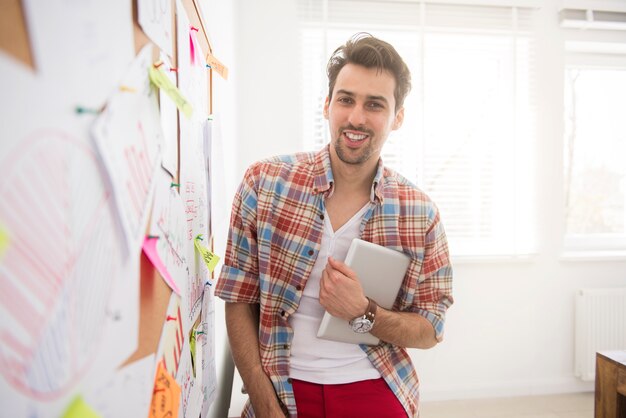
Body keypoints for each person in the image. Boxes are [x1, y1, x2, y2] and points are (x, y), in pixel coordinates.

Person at [215, 32, 453, 417]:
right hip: (280, 385)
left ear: (398, 118)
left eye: (375, 105)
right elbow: (238, 297)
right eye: (346, 99)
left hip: (374, 385)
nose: (356, 117)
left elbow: (430, 329)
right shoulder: (265, 182)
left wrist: (363, 312)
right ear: (327, 105)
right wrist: (263, 403)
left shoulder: (420, 213)